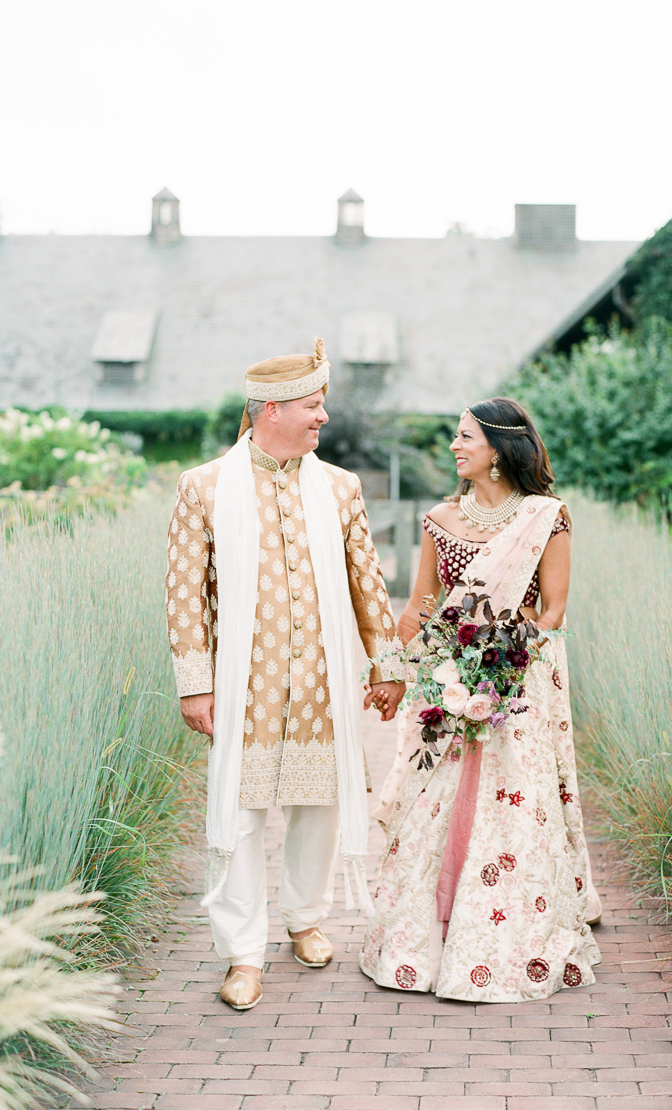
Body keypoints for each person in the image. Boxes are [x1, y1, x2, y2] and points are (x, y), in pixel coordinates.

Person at [165, 338, 405, 1011]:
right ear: (272, 409)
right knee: (241, 813)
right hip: (246, 684)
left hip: (323, 680)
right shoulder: (204, 486)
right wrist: (195, 681)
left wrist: (386, 665)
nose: (322, 416)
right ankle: (242, 953)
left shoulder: (339, 486)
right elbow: (186, 592)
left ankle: (305, 919)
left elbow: (367, 581)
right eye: (312, 404)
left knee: (317, 805)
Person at [360, 397, 602, 1002]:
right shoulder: (441, 517)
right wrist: (390, 669)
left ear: (498, 447)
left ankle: (501, 939)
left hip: (516, 688)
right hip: (444, 682)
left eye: (465, 436)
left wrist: (503, 667)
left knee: (509, 804)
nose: (454, 446)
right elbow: (418, 607)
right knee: (432, 801)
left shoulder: (546, 517)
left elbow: (551, 613)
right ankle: (425, 938)